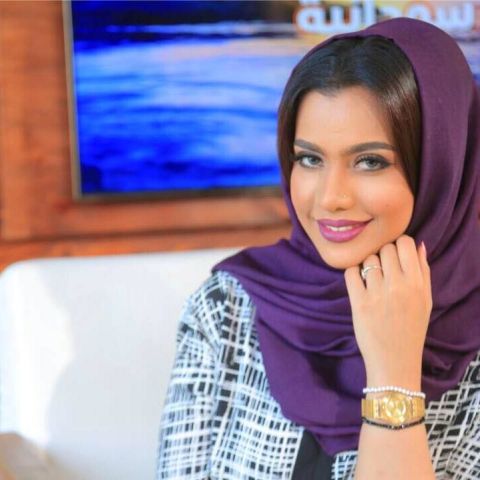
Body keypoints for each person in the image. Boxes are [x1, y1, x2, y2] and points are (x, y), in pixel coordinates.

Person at [156, 17, 480, 479]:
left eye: (370, 161)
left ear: (442, 167)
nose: (330, 198)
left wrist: (393, 371)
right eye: (309, 158)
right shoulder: (228, 310)